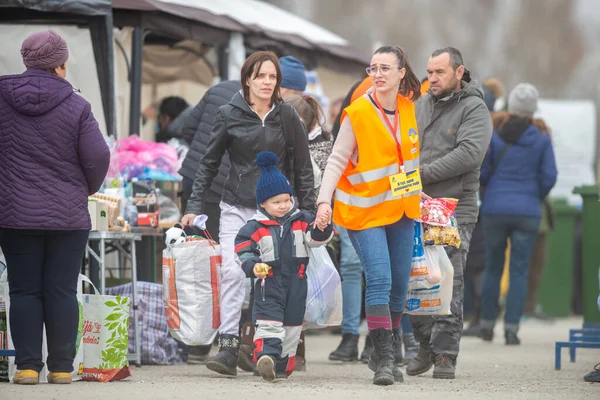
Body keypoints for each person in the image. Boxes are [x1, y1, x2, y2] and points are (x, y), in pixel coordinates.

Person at [181, 51, 315, 376]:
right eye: (260, 76)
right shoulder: (229, 113)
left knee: (271, 279)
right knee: (232, 272)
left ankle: (268, 348)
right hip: (235, 208)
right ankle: (228, 348)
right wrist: (194, 207)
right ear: (247, 80)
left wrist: (308, 210)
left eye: (272, 77)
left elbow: (302, 167)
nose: (267, 82)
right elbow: (208, 163)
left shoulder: (287, 117)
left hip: (277, 214)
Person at [0, 30, 110, 385]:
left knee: (24, 290)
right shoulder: (77, 106)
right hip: (67, 217)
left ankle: (28, 368)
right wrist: (84, 189)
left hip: (14, 214)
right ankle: (62, 368)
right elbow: (97, 156)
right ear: (60, 65)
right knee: (61, 289)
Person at [315, 45, 422, 386]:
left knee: (400, 287)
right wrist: (323, 202)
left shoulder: (408, 109)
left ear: (401, 72)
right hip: (363, 212)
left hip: (402, 209)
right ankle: (386, 359)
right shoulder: (356, 113)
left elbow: (407, 160)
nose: (377, 74)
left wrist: (423, 195)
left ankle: (379, 352)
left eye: (385, 68)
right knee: (380, 279)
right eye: (372, 68)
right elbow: (335, 160)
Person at [408, 47, 492, 380]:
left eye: (439, 72)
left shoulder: (474, 108)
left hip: (455, 208)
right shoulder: (420, 105)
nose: (432, 79)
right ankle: (425, 345)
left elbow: (470, 154)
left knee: (448, 280)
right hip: (416, 206)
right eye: (429, 72)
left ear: (459, 72)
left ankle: (445, 354)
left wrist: (420, 174)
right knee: (418, 279)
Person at [235, 152, 332, 382]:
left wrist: (321, 226)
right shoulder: (254, 227)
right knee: (269, 321)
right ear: (263, 204)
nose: (283, 206)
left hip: (297, 283)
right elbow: (242, 248)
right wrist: (253, 265)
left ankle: (281, 365)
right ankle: (266, 356)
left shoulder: (301, 220)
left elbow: (315, 240)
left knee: (292, 327)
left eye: (286, 200)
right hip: (269, 282)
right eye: (276, 202)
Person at [479, 83, 557, 345]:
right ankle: (512, 329)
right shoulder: (542, 136)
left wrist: (491, 191)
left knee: (493, 267)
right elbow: (550, 176)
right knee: (519, 271)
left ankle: (487, 325)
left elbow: (484, 171)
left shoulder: (495, 132)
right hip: (527, 212)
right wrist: (534, 195)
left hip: (494, 210)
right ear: (532, 109)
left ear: (510, 106)